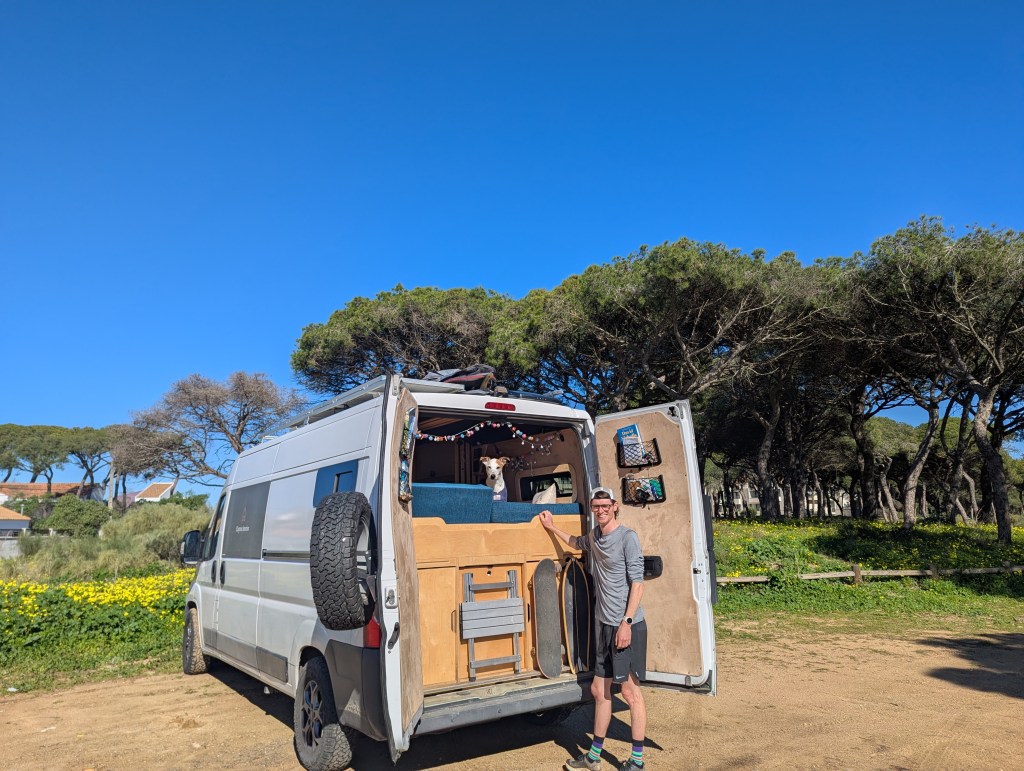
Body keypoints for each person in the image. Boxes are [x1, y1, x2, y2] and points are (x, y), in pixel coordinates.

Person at [539, 486, 648, 771]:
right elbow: (576, 542)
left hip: (626, 626)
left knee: (630, 693)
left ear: (615, 506)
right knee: (600, 691)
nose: (600, 510)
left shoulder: (627, 538)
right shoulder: (596, 537)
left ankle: (637, 761)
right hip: (604, 625)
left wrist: (626, 622)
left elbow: (637, 583)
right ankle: (593, 758)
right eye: (596, 506)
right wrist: (551, 527)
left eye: (605, 506)